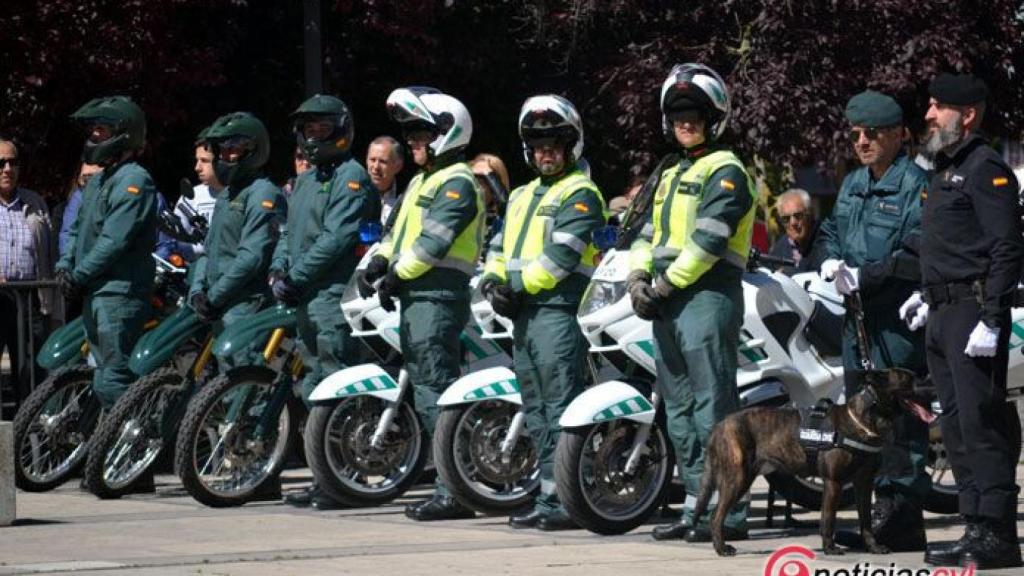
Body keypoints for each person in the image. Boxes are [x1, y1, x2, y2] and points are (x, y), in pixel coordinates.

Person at [628, 64, 755, 543]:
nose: (686, 122)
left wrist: (662, 286)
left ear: (714, 118)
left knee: (714, 409)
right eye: (678, 114)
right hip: (666, 299)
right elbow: (644, 231)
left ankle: (731, 514)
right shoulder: (668, 173)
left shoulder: (726, 170)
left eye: (695, 114)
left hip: (705, 295)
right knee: (679, 411)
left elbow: (709, 240)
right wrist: (638, 276)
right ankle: (695, 509)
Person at [900, 73, 1023, 570]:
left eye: (937, 106)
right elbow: (951, 246)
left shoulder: (984, 167)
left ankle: (997, 531)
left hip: (973, 313)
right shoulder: (943, 169)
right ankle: (974, 525)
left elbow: (1005, 247)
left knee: (981, 424)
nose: (928, 115)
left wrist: (993, 317)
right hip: (944, 312)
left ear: (966, 115)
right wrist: (926, 294)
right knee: (954, 427)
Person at [480, 95, 605, 530]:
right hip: (523, 314)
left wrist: (514, 287)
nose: (545, 151)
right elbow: (498, 247)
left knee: (561, 408)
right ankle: (551, 499)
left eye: (554, 142)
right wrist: (492, 281)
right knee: (536, 411)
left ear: (571, 145)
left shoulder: (582, 192)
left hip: (556, 310)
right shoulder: (520, 194)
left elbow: (562, 256)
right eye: (536, 144)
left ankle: (570, 502)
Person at [359, 86, 483, 521]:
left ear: (447, 134)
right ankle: (450, 485)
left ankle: (454, 492)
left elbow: (434, 242)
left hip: (438, 295)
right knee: (429, 391)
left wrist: (397, 273)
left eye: (420, 135)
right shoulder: (420, 181)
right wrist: (375, 264)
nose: (412, 143)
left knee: (436, 392)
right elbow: (394, 236)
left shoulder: (458, 182)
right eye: (410, 136)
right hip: (417, 295)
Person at [817, 90, 932, 552]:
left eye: (872, 134)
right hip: (856, 321)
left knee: (900, 422)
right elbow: (830, 232)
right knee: (860, 421)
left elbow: (917, 250)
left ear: (897, 135)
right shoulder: (853, 184)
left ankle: (901, 516)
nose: (862, 141)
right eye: (856, 134)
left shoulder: (914, 184)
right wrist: (829, 264)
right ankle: (870, 519)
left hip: (895, 323)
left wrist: (865, 275)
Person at [272, 94, 380, 509]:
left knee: (338, 386)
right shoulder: (305, 180)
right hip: (305, 296)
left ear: (341, 129)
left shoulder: (351, 177)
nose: (314, 135)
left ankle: (345, 479)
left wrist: (295, 276)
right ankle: (325, 476)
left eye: (322, 128)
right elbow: (288, 233)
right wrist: (279, 270)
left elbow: (335, 239)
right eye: (308, 128)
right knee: (315, 387)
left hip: (332, 296)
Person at [54, 96, 158, 409]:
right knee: (101, 375)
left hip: (119, 295)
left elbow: (114, 240)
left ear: (124, 134)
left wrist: (79, 274)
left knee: (114, 378)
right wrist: (64, 265)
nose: (94, 136)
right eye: (92, 130)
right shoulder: (98, 181)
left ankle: (141, 447)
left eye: (102, 129)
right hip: (95, 292)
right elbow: (75, 230)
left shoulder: (135, 180)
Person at [188, 112, 285, 372]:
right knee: (226, 379)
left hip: (245, 303)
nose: (225, 156)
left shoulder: (263, 193)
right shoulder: (228, 194)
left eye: (233, 149)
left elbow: (251, 256)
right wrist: (197, 291)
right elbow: (208, 251)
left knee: (245, 379)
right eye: (222, 150)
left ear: (253, 150)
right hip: (220, 304)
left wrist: (214, 296)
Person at [0, 139, 57, 418]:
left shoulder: (34, 202)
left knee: (31, 370)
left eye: (13, 162)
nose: (7, 168)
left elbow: (50, 251)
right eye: (1, 163)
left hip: (30, 298)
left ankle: (29, 433)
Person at [167, 131, 221, 262]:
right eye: (197, 160)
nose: (197, 167)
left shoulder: (243, 196)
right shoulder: (192, 196)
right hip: (195, 271)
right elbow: (176, 241)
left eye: (204, 161)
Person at [769, 188, 821, 274]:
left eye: (798, 216)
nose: (793, 223)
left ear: (810, 214)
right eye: (786, 218)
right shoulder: (781, 246)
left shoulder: (826, 241)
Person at [58, 162, 102, 257]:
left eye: (90, 176)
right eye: (83, 177)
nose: (85, 181)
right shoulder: (78, 198)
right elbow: (67, 233)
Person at [366, 136, 405, 226]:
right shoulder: (355, 191)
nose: (376, 167)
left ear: (398, 166)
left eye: (383, 162)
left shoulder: (406, 194)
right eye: (372, 160)